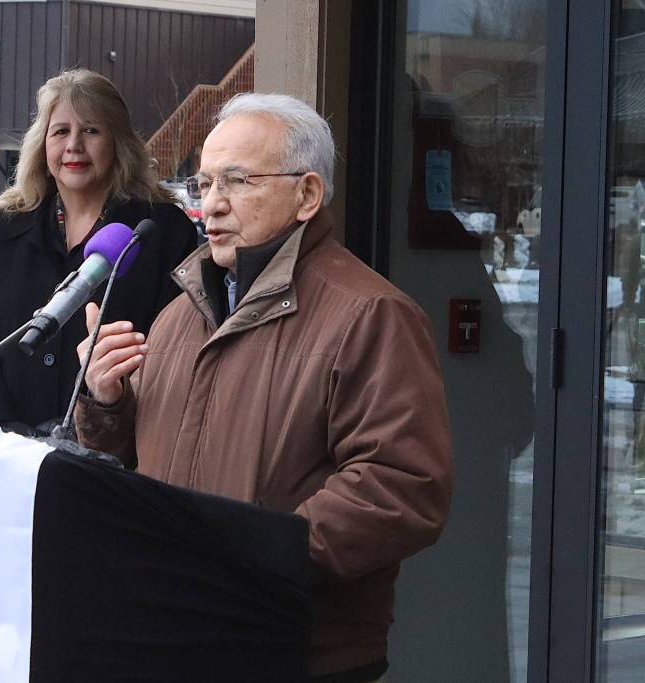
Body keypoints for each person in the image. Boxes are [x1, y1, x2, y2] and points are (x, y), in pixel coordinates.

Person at [75, 93, 453, 682]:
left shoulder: (370, 314)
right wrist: (106, 398)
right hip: (173, 632)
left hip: (295, 647)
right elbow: (137, 451)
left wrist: (257, 556)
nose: (212, 206)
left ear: (307, 195)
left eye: (237, 181)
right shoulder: (182, 311)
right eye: (202, 185)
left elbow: (402, 487)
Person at [0, 69, 198, 434]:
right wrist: (7, 428)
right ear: (42, 144)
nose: (74, 146)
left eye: (92, 131)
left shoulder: (162, 232)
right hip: (8, 447)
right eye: (61, 131)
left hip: (120, 449)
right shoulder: (5, 228)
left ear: (118, 143)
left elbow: (176, 354)